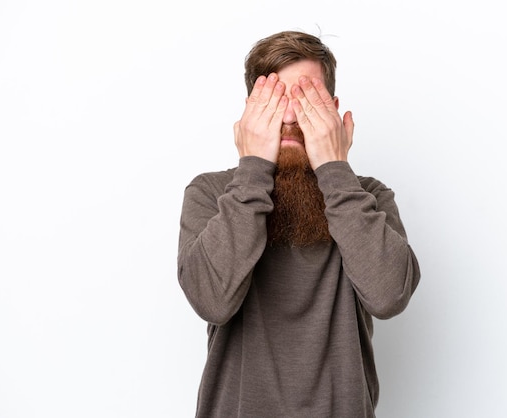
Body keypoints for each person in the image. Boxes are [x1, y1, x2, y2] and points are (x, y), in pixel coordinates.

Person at [177, 30, 421, 418]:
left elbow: (389, 296)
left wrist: (336, 170)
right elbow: (212, 300)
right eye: (274, 102)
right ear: (250, 112)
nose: (290, 117)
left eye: (307, 99)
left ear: (334, 109)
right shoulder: (213, 193)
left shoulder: (367, 197)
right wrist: (253, 169)